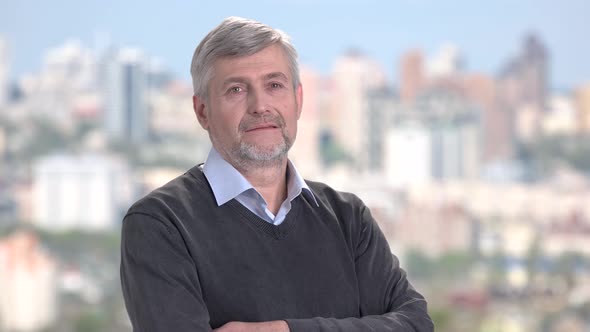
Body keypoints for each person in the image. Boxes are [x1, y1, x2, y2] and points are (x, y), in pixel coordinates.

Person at [120, 16, 434, 332]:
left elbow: (416, 324)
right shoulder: (160, 224)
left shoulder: (348, 218)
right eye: (236, 89)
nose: (260, 106)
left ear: (298, 100)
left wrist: (281, 330)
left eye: (274, 85)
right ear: (202, 111)